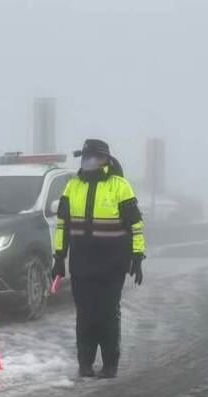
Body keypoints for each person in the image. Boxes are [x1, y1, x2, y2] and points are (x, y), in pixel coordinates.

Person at [52, 139, 146, 378]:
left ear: (105, 159)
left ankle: (110, 364)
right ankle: (85, 363)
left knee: (107, 313)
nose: (90, 161)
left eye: (94, 157)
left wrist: (137, 255)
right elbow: (62, 224)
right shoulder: (72, 186)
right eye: (86, 157)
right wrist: (59, 257)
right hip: (81, 263)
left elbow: (135, 224)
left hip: (112, 263)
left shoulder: (120, 186)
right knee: (85, 314)